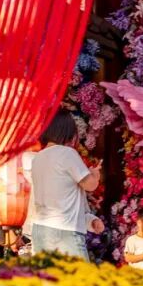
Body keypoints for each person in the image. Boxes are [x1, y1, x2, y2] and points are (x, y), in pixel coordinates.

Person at [29, 110, 104, 260]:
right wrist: (95, 175)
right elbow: (90, 185)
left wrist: (90, 220)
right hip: (64, 231)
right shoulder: (67, 153)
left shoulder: (38, 158)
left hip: (40, 230)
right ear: (67, 131)